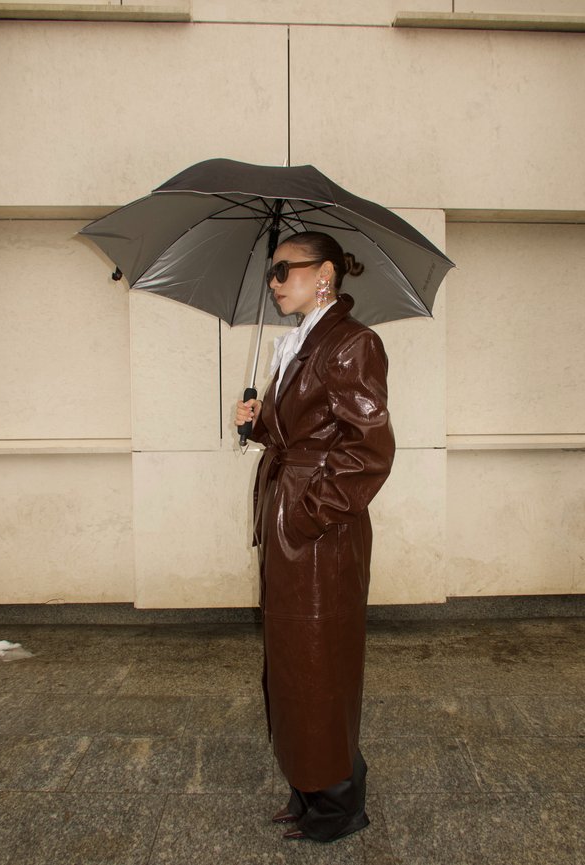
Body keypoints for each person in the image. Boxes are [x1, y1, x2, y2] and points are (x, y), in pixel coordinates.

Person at [235, 231, 395, 843]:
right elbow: (303, 434)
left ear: (323, 273)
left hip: (317, 531)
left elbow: (368, 452)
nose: (274, 283)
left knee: (319, 663)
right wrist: (259, 426)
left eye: (284, 270)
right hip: (291, 520)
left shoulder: (352, 343)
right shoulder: (299, 343)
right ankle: (308, 785)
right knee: (294, 661)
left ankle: (337, 803)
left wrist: (306, 515)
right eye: (272, 273)